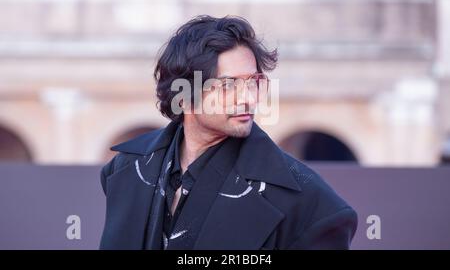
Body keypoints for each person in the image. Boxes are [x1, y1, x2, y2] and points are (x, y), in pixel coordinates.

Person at [99, 15, 357, 250]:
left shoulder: (311, 206)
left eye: (254, 82)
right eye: (228, 84)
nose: (248, 98)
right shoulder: (125, 171)